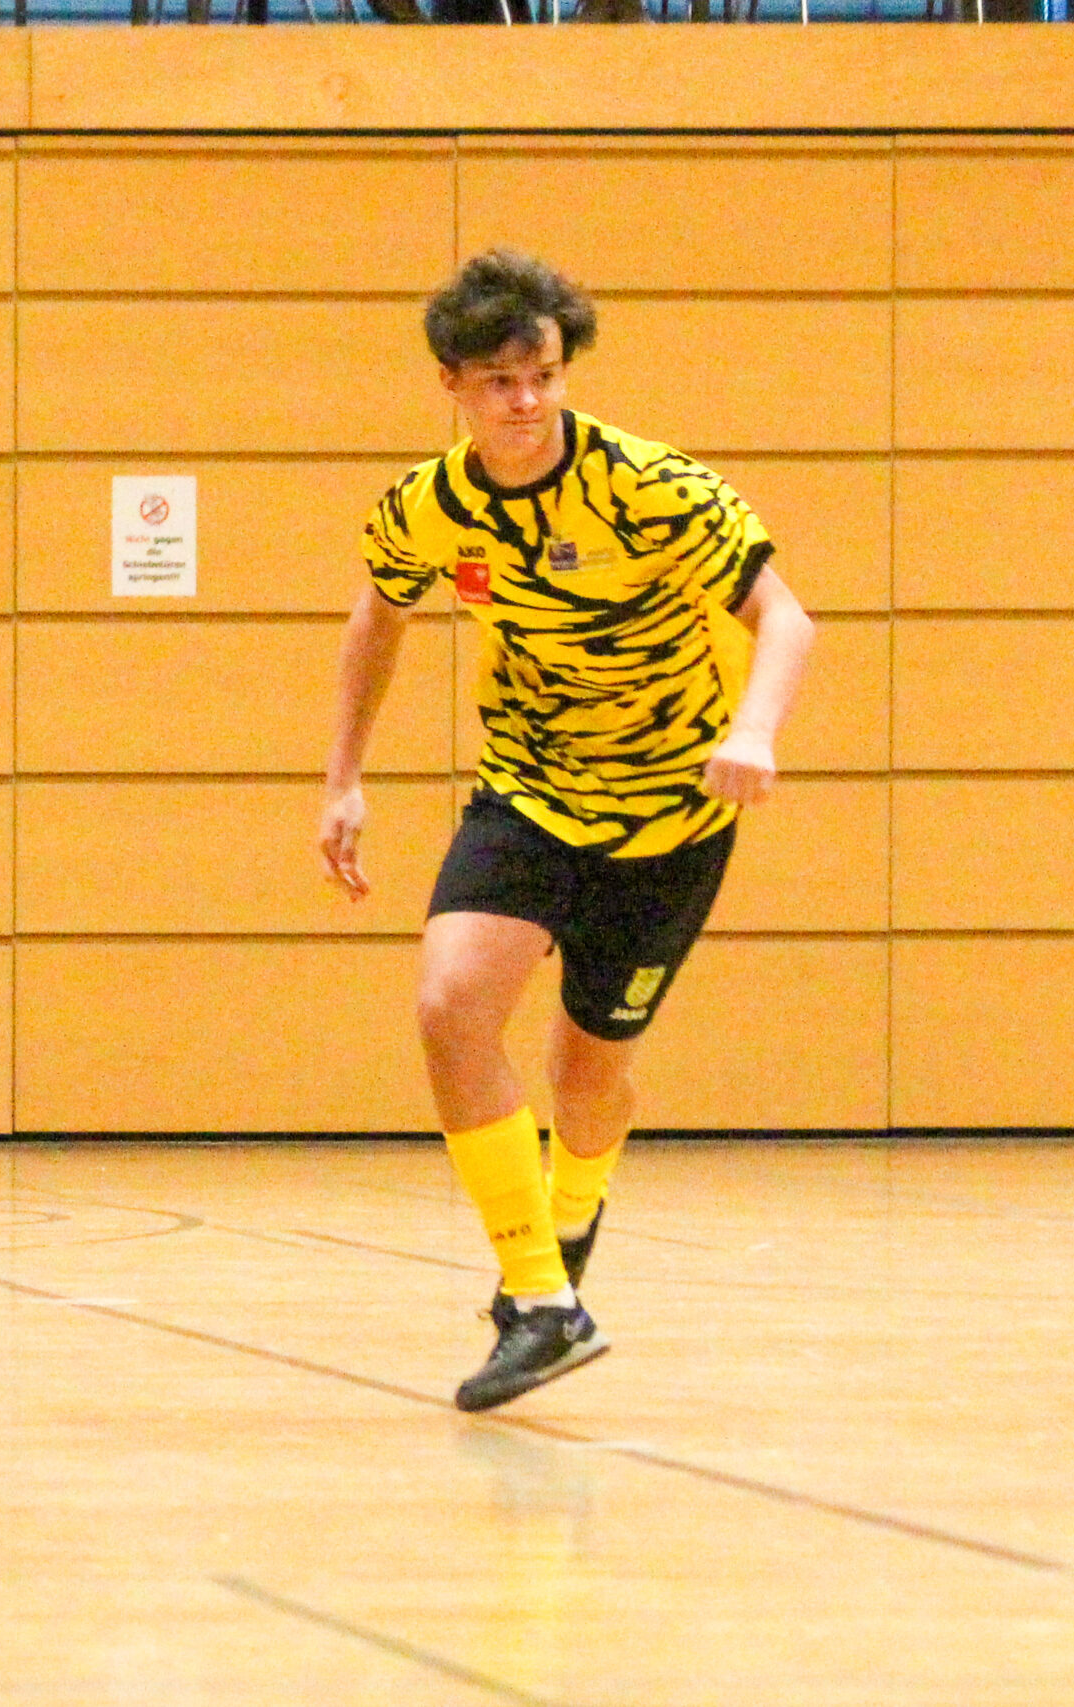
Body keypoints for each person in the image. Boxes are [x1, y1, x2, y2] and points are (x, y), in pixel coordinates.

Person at [317, 249, 815, 1413]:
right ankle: (543, 1301)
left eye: (540, 375)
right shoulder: (429, 506)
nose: (524, 400)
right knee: (450, 1007)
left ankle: (572, 1222)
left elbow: (785, 618)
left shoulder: (649, 487)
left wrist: (753, 731)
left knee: (589, 1071)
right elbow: (377, 618)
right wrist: (343, 778)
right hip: (530, 796)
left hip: (671, 816)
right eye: (498, 381)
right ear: (452, 385)